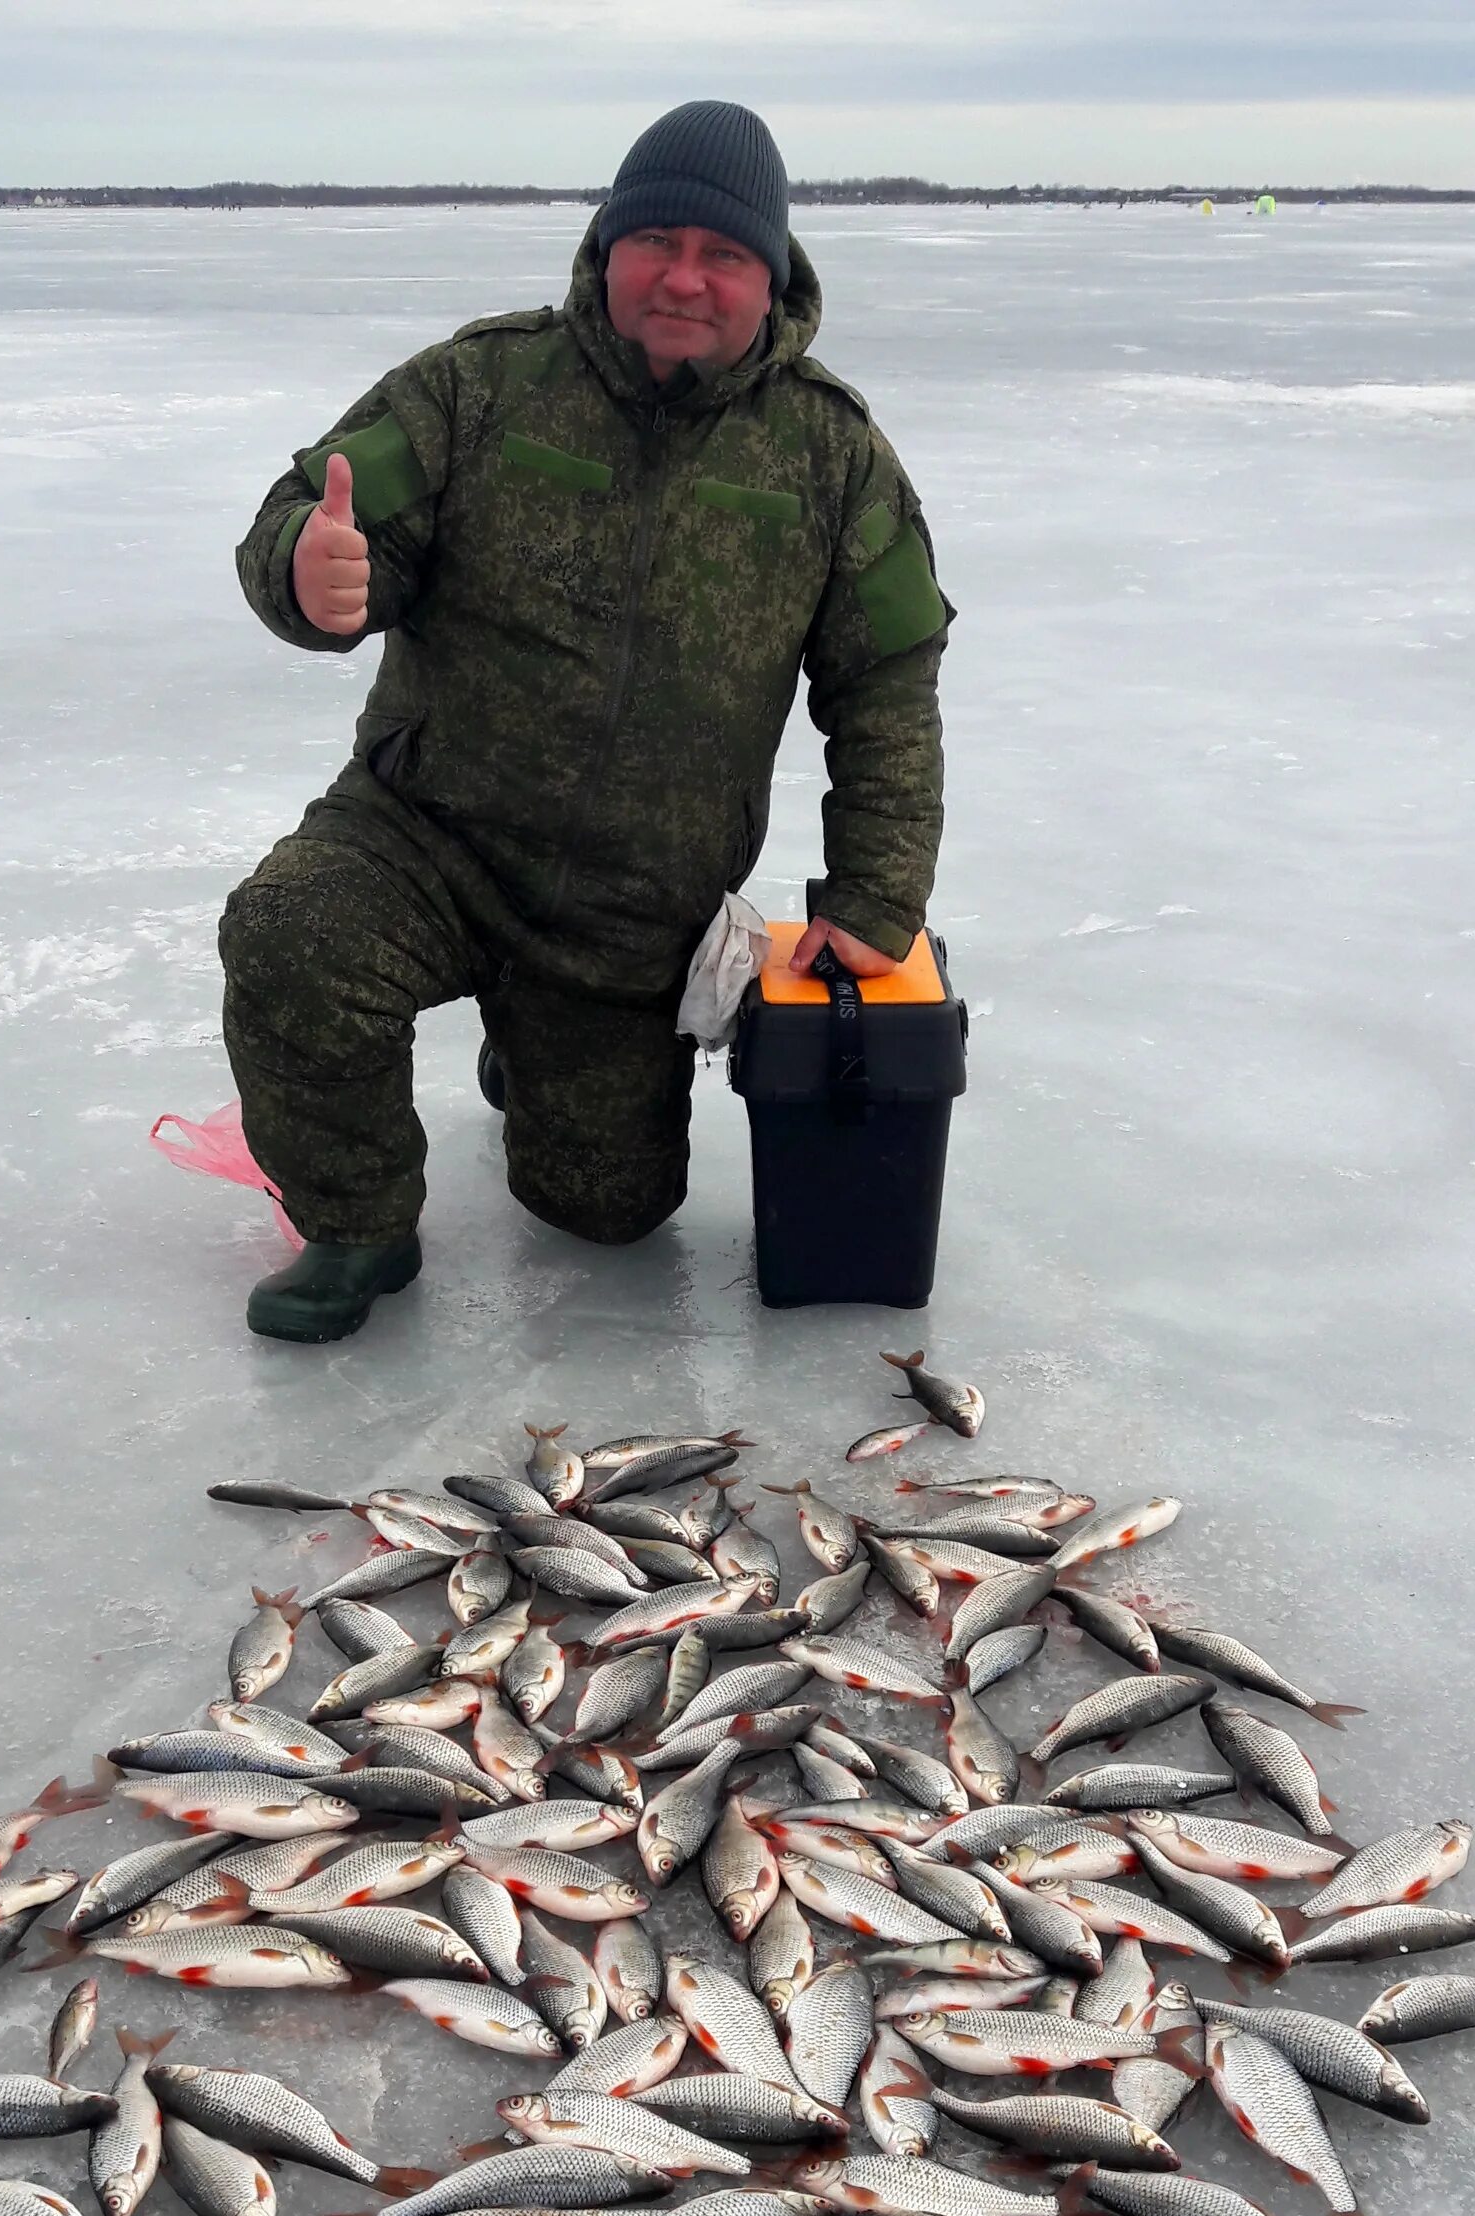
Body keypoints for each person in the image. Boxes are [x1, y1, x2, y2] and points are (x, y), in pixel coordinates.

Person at [221, 99, 952, 1340]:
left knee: (608, 1212)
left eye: (721, 253)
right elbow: (317, 514)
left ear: (769, 276)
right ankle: (356, 1226)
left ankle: (533, 1061)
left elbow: (887, 685)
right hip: (424, 838)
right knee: (292, 938)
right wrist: (306, 569)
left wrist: (876, 899)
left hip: (634, 905)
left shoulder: (832, 458)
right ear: (605, 246)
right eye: (654, 240)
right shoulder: (482, 386)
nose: (682, 277)